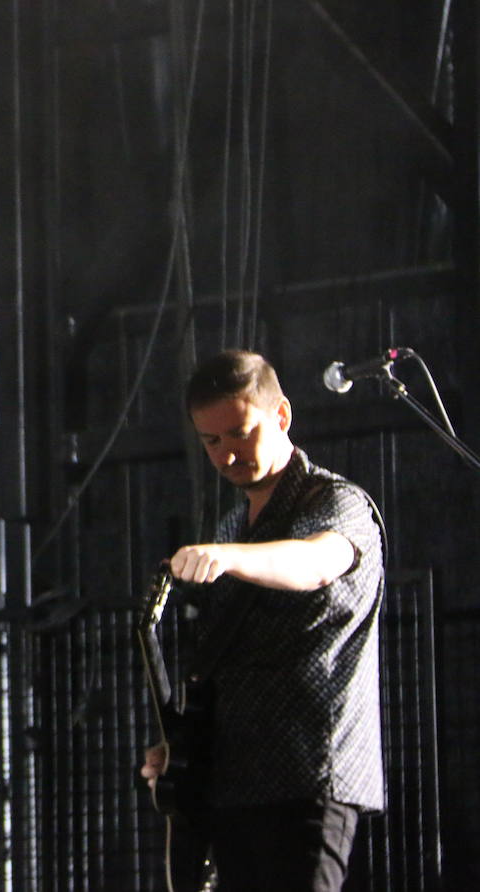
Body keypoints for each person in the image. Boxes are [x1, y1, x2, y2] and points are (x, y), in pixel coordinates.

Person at [140, 349, 385, 892]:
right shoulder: (232, 524)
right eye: (212, 442)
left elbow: (317, 562)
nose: (227, 455)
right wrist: (183, 748)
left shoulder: (338, 502)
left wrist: (229, 560)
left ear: (281, 417)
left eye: (239, 433)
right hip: (233, 783)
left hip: (306, 776)